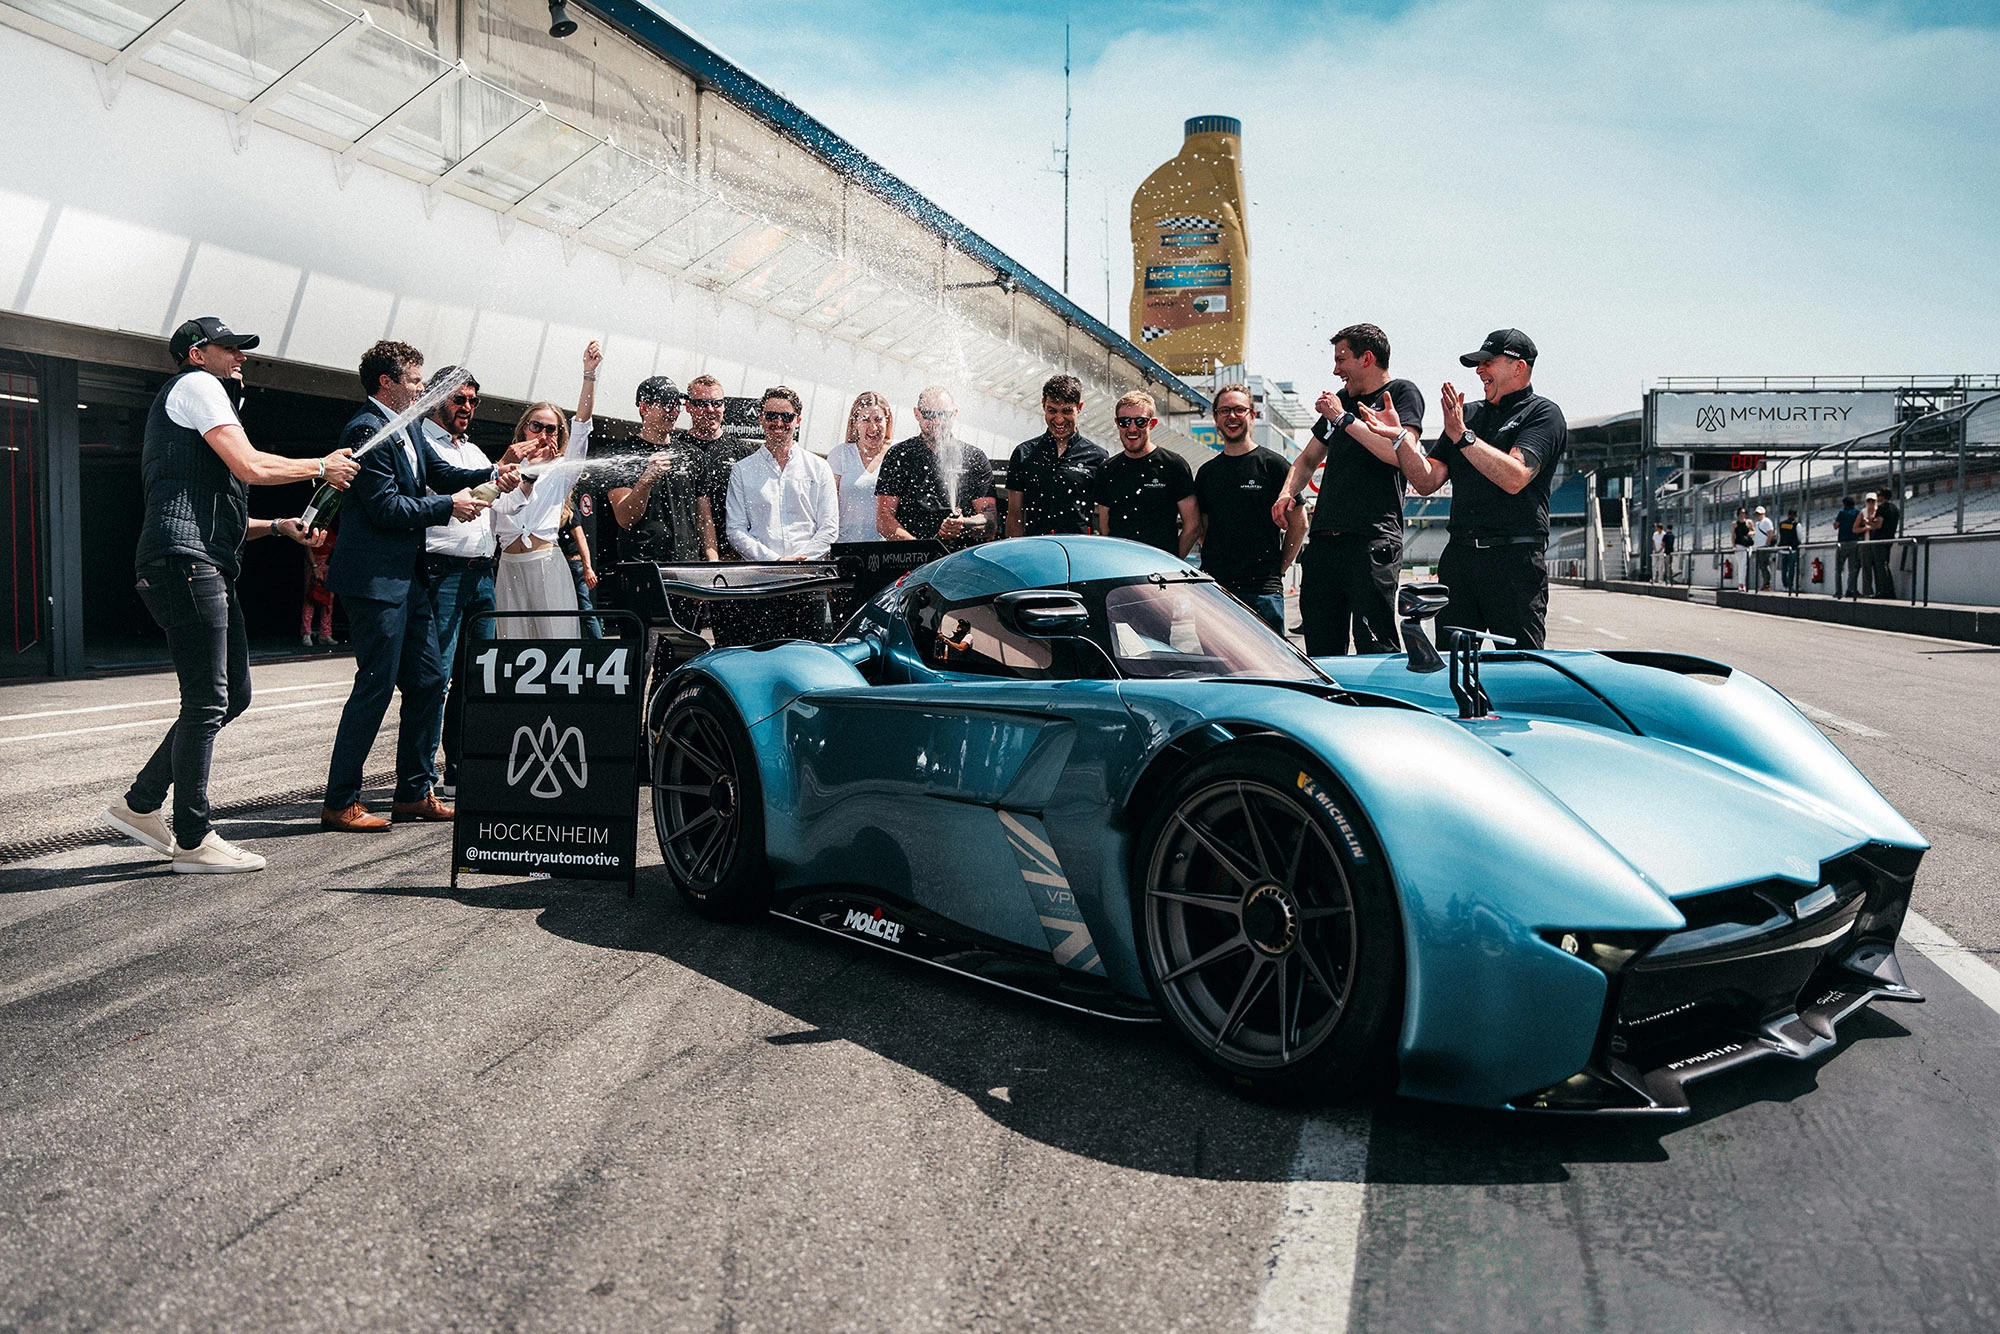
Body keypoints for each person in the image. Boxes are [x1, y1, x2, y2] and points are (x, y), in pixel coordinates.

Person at [103, 316, 359, 871]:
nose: (241, 356)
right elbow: (251, 466)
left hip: (199, 563)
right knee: (205, 701)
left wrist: (278, 527)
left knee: (231, 695)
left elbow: (216, 508)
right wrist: (321, 466)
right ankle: (193, 840)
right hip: (187, 566)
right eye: (231, 348)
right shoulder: (198, 386)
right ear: (198, 354)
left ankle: (141, 805)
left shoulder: (198, 406)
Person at [320, 339, 515, 833]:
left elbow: (444, 473)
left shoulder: (403, 428)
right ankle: (340, 799)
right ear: (386, 383)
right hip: (375, 581)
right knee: (376, 686)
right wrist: (447, 507)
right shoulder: (367, 428)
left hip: (407, 579)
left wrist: (495, 473)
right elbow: (386, 508)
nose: (422, 388)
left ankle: (413, 792)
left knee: (429, 680)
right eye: (413, 380)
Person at [1394, 329, 1566, 650]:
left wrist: (1463, 436)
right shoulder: (1468, 414)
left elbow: (1516, 476)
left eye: (1488, 362)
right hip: (1460, 558)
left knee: (1520, 668)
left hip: (1514, 560)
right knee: (1452, 666)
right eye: (1478, 364)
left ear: (1519, 367)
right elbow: (1426, 480)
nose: (1479, 371)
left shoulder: (1543, 414)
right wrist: (1399, 438)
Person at [1274, 323, 1425, 655]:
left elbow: (1401, 455)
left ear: (1367, 358)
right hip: (1326, 541)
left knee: (1376, 644)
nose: (1335, 369)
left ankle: (1379, 706)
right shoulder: (1342, 400)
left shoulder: (1401, 394)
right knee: (1321, 648)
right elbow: (1308, 458)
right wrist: (1287, 492)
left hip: (1371, 539)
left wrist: (1344, 420)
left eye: (1342, 359)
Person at [416, 364, 494, 800]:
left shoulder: (476, 452)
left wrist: (510, 479)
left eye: (473, 401)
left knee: (478, 678)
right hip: (442, 571)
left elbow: (487, 504)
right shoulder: (422, 443)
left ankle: (461, 768)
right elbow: (444, 496)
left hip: (482, 573)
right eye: (458, 399)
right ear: (435, 398)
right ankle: (422, 778)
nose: (467, 408)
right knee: (438, 677)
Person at [725, 387, 840, 639]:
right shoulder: (743, 470)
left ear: (798, 420)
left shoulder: (819, 468)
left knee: (807, 659)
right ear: (761, 419)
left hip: (809, 581)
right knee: (761, 658)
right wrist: (773, 563)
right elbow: (734, 529)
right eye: (771, 416)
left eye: (787, 417)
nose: (779, 423)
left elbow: (829, 527)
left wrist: (800, 563)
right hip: (760, 582)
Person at [1193, 383, 1304, 633]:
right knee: (1217, 666)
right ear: (1216, 419)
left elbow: (1300, 523)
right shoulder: (1207, 473)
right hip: (1215, 589)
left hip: (1262, 592)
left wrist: (1279, 568)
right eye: (1224, 411)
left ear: (1252, 416)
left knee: (1269, 668)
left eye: (1239, 409)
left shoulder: (1275, 467)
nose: (1232, 416)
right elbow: (1202, 528)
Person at [489, 400, 589, 638]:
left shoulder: (563, 469)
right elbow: (498, 504)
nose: (542, 434)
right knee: (511, 645)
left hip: (546, 562)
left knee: (556, 639)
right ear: (525, 427)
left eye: (551, 429)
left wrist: (589, 375)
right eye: (536, 426)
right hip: (509, 564)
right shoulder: (506, 467)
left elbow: (583, 427)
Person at [604, 373, 719, 565]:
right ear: (644, 407)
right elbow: (625, 518)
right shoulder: (621, 454)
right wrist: (645, 482)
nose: (673, 411)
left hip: (687, 567)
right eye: (666, 404)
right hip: (643, 567)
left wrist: (712, 563)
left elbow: (704, 518)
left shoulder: (693, 454)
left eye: (676, 405)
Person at [877, 387, 997, 546]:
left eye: (944, 415)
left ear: (954, 414)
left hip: (960, 558)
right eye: (929, 414)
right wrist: (922, 551)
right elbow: (884, 520)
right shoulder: (899, 455)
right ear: (916, 414)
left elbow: (990, 521)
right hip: (912, 560)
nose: (937, 421)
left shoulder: (974, 458)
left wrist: (964, 524)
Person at [1094, 391, 1197, 557]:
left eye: (1140, 422)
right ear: (1117, 423)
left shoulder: (1173, 465)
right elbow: (1105, 529)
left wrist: (1172, 562)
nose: (1132, 428)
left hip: (1160, 571)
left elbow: (1193, 526)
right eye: (1124, 422)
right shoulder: (1107, 470)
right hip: (1121, 567)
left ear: (1152, 423)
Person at [1006, 374, 1108, 538]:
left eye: (1067, 411)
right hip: (1035, 548)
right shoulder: (1024, 453)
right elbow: (1014, 515)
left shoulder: (1097, 456)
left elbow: (1105, 518)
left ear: (1079, 407)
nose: (1059, 419)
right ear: (1043, 405)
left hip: (1078, 550)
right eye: (1052, 410)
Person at [829, 391, 895, 544]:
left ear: (887, 421)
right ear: (855, 422)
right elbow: (826, 508)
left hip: (886, 552)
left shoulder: (896, 454)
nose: (873, 428)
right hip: (845, 548)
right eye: (865, 420)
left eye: (878, 419)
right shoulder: (841, 454)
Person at [301, 528, 335, 646]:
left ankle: (325, 634)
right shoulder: (314, 526)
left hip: (329, 562)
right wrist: (314, 566)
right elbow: (307, 545)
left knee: (328, 600)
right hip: (315, 561)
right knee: (311, 597)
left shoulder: (333, 528)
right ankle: (307, 633)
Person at [1834, 494, 1862, 597]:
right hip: (1854, 542)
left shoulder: (1842, 513)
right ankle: (1850, 590)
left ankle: (1838, 591)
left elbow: (1835, 526)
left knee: (1839, 569)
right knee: (1853, 569)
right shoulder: (1858, 513)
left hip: (1842, 543)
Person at [1751, 505, 1776, 591]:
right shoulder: (1758, 523)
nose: (1757, 516)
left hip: (1764, 546)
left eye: (1759, 514)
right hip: (1759, 547)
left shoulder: (1766, 521)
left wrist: (1767, 544)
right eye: (1757, 514)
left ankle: (1767, 583)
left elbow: (1770, 533)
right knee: (1761, 566)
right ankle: (1765, 583)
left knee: (1765, 565)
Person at [1729, 508, 1752, 591]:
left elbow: (1753, 530)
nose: (1742, 515)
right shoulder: (1735, 524)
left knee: (1744, 564)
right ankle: (1741, 583)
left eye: (1744, 513)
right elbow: (1733, 536)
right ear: (1738, 514)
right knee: (1740, 565)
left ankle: (1742, 583)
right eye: (1741, 513)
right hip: (1739, 545)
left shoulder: (1749, 522)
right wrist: (1734, 546)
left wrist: (1751, 533)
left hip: (1747, 545)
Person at [1777, 508, 1801, 591]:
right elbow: (1800, 537)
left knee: (1784, 568)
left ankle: (1785, 585)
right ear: (1796, 515)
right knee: (1791, 568)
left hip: (1783, 549)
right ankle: (1790, 585)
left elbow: (1779, 536)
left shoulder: (1781, 524)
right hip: (1792, 549)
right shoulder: (1796, 525)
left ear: (1788, 515)